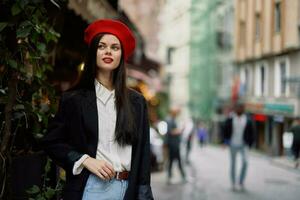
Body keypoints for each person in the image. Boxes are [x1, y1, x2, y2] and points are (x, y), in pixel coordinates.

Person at [41, 19, 153, 200]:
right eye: (102, 46)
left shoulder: (137, 102)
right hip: (90, 187)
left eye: (115, 47)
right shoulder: (74, 99)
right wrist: (85, 160)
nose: (108, 51)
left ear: (121, 56)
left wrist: (143, 194)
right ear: (93, 52)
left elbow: (143, 154)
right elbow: (52, 142)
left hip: (128, 190)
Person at [223, 102, 255, 191]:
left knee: (245, 162)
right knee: (233, 164)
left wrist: (250, 144)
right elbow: (225, 129)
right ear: (235, 109)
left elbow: (252, 132)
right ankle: (233, 183)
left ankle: (241, 181)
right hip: (233, 144)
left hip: (243, 145)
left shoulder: (248, 120)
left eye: (241, 108)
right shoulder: (230, 119)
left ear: (243, 109)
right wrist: (225, 142)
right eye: (238, 108)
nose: (240, 109)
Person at [164, 107, 186, 184]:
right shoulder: (170, 120)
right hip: (173, 145)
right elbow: (170, 132)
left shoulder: (171, 119)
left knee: (173, 161)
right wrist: (180, 131)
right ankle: (182, 177)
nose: (177, 114)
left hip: (174, 145)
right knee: (173, 161)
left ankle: (180, 177)